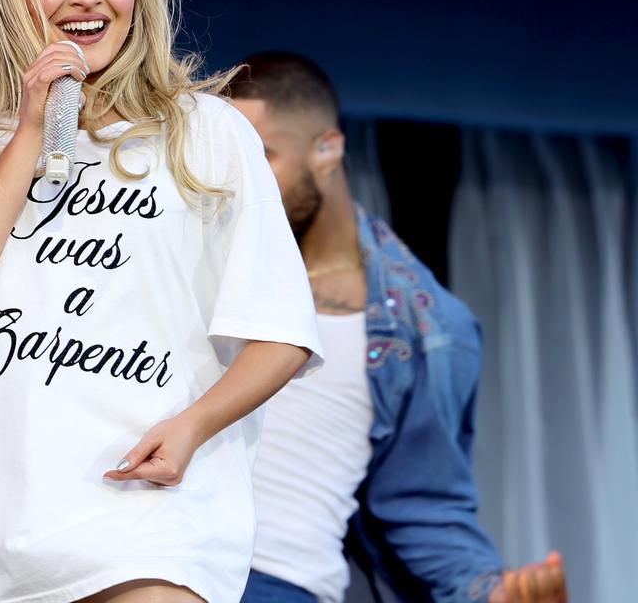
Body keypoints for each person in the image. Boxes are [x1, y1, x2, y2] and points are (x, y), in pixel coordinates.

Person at [0, 0, 323, 603]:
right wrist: (30, 130)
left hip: (148, 521)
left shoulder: (205, 132)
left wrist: (193, 427)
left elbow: (281, 334)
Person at [227, 52, 567, 603]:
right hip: (151, 564)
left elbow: (425, 505)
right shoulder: (197, 260)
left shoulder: (428, 325)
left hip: (278, 580)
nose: (238, 181)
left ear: (327, 150)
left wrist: (490, 591)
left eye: (261, 156)